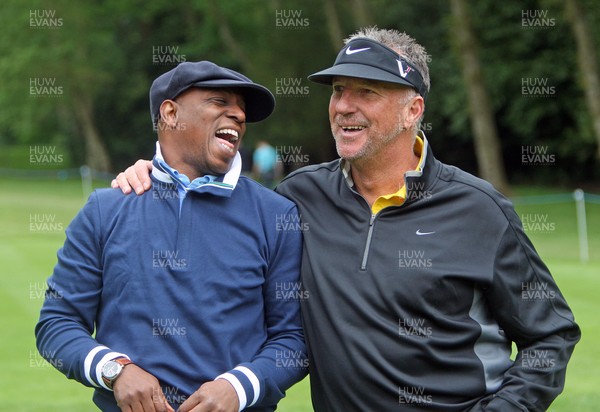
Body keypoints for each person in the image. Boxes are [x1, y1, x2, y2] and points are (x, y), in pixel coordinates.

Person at [112, 28, 581, 411]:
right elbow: (217, 213)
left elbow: (551, 334)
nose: (343, 106)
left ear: (412, 110)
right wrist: (157, 175)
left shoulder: (480, 210)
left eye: (367, 92)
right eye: (338, 91)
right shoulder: (299, 197)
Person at [36, 61, 307, 412]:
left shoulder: (276, 215)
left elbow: (294, 339)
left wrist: (238, 389)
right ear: (170, 113)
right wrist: (115, 370)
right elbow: (56, 324)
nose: (238, 115)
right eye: (220, 101)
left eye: (241, 109)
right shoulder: (105, 209)